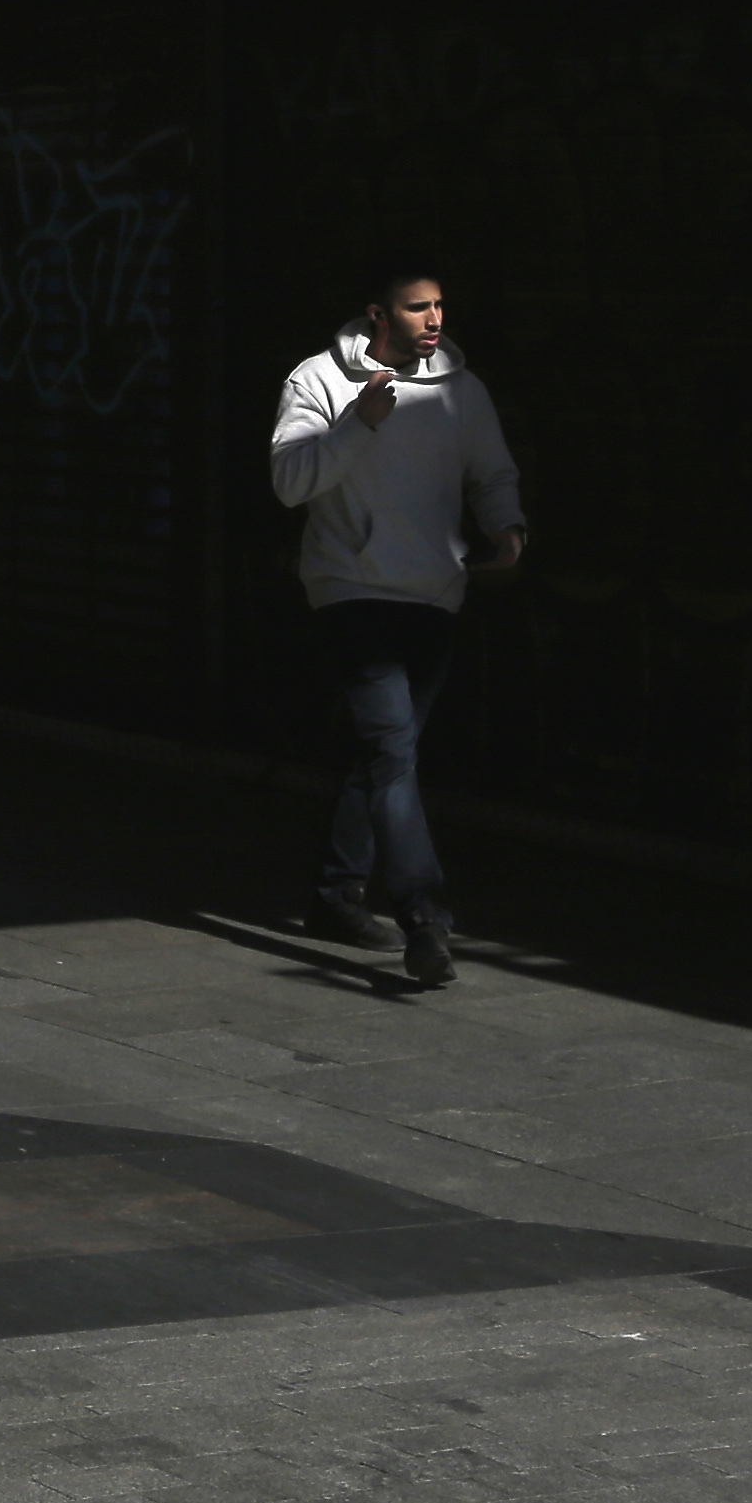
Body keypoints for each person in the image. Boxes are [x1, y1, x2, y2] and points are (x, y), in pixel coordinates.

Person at [264, 267, 528, 988]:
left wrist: (505, 526)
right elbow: (291, 482)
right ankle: (422, 917)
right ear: (379, 314)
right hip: (352, 591)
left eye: (440, 305)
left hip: (433, 592)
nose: (434, 319)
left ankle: (335, 896)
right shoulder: (318, 380)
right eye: (418, 308)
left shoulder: (459, 390)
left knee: (382, 754)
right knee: (392, 752)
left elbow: (491, 469)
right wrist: (358, 424)